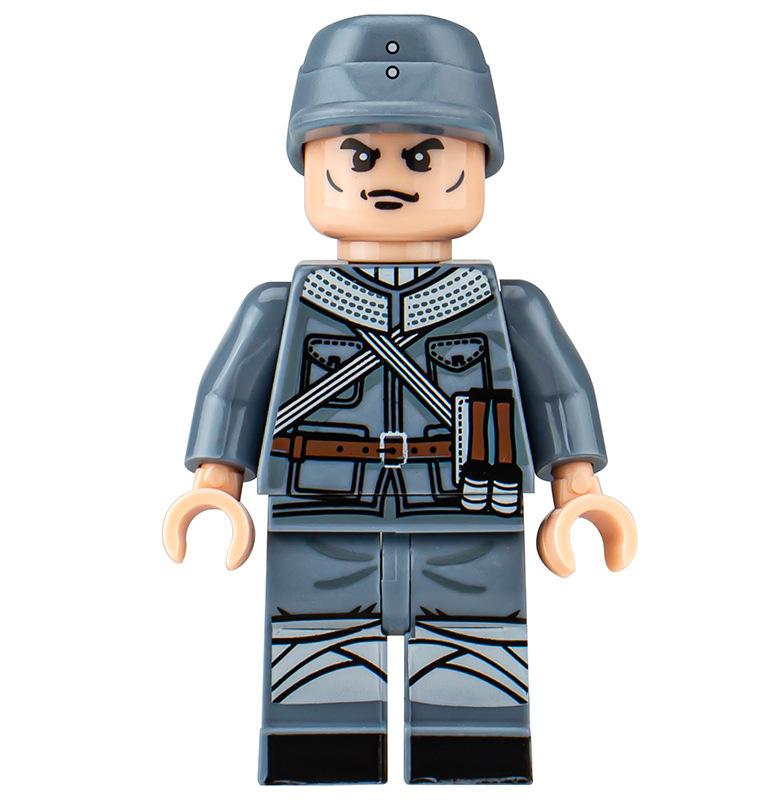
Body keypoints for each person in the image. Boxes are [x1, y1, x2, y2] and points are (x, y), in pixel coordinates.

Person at [163, 14, 637, 785]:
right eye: (357, 154)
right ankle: (322, 756)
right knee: (316, 670)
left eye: (424, 155)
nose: (389, 177)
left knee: (478, 672)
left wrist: (578, 490)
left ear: (478, 163)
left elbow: (559, 391)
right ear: (311, 163)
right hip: (323, 515)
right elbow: (232, 392)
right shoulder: (281, 307)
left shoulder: (509, 305)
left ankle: (468, 755)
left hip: (468, 516)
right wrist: (214, 485)